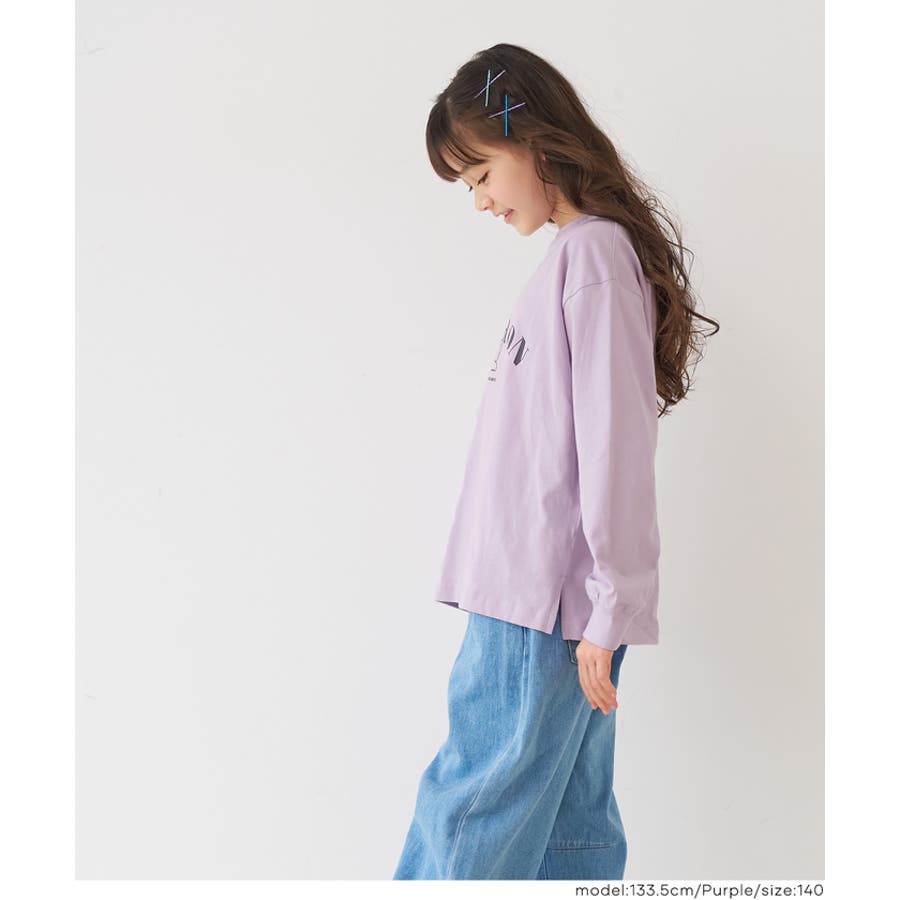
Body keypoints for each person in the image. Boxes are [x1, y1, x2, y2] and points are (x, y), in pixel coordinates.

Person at [393, 43, 719, 881]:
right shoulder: (574, 259)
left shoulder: (593, 257)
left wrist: (614, 602)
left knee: (473, 808)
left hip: (540, 598)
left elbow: (615, 446)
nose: (479, 200)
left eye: (481, 174)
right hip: (547, 596)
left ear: (534, 139)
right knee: (572, 825)